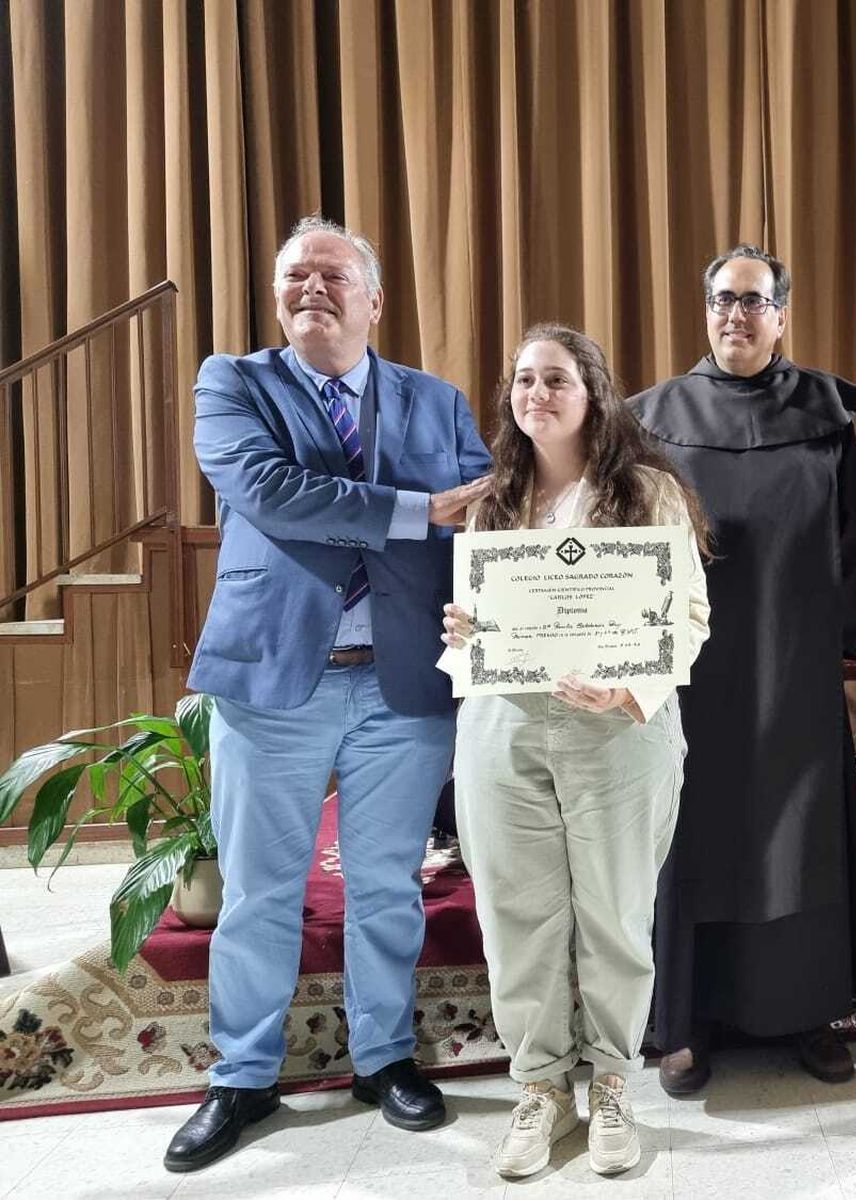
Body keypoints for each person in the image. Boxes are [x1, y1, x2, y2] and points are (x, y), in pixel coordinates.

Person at [167, 216, 492, 1172]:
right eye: (294, 275)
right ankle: (242, 1073)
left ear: (375, 301)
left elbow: (486, 516)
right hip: (276, 680)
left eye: (332, 275)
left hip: (402, 686)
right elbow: (268, 489)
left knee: (387, 886)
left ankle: (384, 1056)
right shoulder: (234, 383)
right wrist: (411, 511)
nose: (311, 288)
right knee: (261, 892)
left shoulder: (437, 400)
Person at [438, 324, 710, 1178]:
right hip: (503, 724)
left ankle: (613, 1081)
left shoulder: (650, 494)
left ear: (594, 393)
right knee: (515, 915)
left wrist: (632, 688)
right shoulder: (490, 502)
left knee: (614, 913)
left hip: (619, 728)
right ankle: (540, 1086)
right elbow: (478, 628)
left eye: (556, 378)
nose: (537, 394)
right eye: (523, 379)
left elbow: (690, 618)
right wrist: (463, 631)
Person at [631, 243, 856, 1094]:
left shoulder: (825, 412)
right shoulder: (652, 416)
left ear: (781, 313)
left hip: (793, 657)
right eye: (721, 299)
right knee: (693, 831)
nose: (735, 314)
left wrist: (845, 635)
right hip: (692, 669)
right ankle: (686, 1023)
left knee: (799, 830)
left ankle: (804, 1013)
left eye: (753, 300)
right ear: (703, 311)